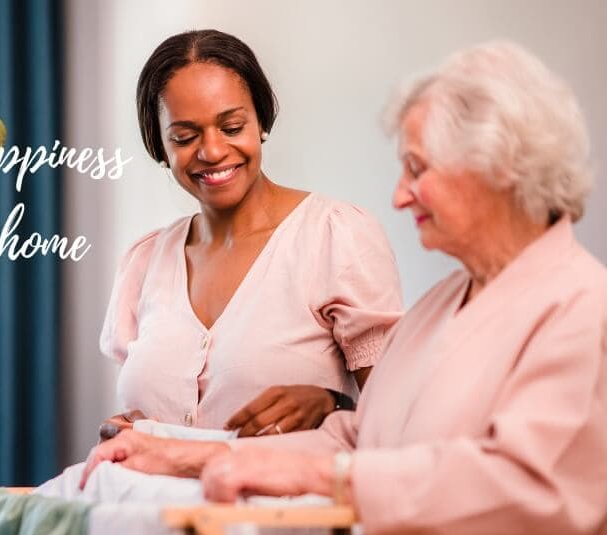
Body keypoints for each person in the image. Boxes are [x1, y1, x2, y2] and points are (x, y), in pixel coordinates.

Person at [81, 41, 607, 535]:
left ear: (499, 171)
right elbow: (357, 438)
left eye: (417, 169)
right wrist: (177, 456)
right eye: (185, 135)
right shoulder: (441, 305)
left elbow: (528, 493)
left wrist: (326, 471)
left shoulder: (584, 309)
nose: (399, 196)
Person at [97, 29, 402, 439]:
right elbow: (144, 416)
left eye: (231, 126)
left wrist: (334, 404)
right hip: (154, 502)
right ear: (160, 146)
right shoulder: (145, 260)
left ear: (261, 121)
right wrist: (123, 434)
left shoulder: (334, 236)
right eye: (185, 137)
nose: (212, 151)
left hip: (287, 502)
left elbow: (400, 418)